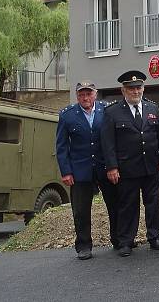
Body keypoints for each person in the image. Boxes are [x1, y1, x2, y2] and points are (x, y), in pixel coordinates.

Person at [101, 71, 159, 257]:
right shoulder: (112, 112)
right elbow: (108, 143)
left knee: (153, 203)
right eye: (131, 88)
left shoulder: (152, 108)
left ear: (143, 88)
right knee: (127, 205)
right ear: (123, 90)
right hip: (127, 168)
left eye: (138, 87)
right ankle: (125, 241)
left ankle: (155, 236)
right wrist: (112, 167)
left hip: (150, 167)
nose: (135, 91)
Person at [55, 81, 111, 260]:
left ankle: (119, 239)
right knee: (80, 210)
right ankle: (84, 245)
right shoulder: (67, 115)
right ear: (77, 96)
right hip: (80, 170)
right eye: (82, 95)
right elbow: (62, 146)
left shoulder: (106, 111)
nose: (86, 98)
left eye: (89, 94)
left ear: (95, 94)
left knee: (115, 205)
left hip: (105, 168)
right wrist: (66, 171)